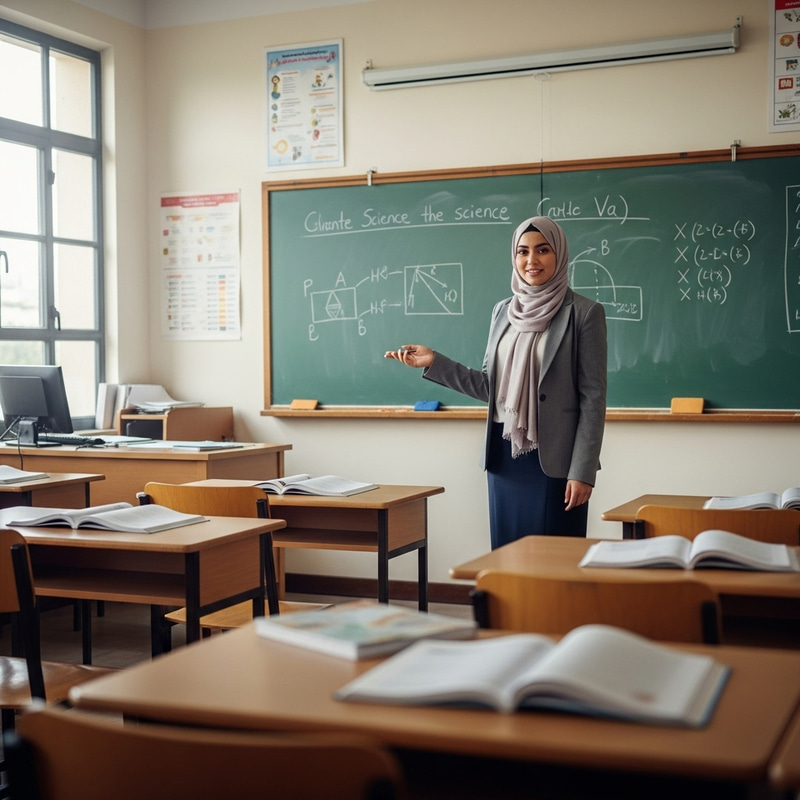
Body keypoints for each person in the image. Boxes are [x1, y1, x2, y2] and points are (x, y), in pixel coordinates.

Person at [385, 216, 607, 549]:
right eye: (522, 252)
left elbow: (593, 398)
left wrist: (583, 470)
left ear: (559, 255)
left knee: (553, 564)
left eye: (542, 250)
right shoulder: (503, 311)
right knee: (506, 558)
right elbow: (492, 388)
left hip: (556, 462)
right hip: (505, 457)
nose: (531, 260)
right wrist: (435, 362)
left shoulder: (584, 313)